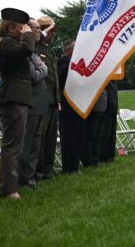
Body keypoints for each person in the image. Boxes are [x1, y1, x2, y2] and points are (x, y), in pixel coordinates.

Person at [0, 7, 34, 199]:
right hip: (12, 97)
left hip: (18, 96)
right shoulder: (7, 44)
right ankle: (9, 189)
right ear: (11, 28)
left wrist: (26, 35)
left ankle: (12, 184)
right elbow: (27, 50)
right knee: (12, 145)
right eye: (22, 27)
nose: (25, 31)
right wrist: (28, 36)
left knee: (16, 144)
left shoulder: (11, 43)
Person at [19, 18, 49, 189]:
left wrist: (41, 68)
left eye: (39, 28)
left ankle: (30, 177)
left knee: (36, 143)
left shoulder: (35, 53)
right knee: (27, 142)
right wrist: (43, 68)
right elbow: (34, 76)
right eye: (36, 28)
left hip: (40, 103)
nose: (39, 31)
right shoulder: (27, 53)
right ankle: (24, 179)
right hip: (31, 102)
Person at [35, 16, 59, 181]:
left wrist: (57, 99)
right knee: (40, 138)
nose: (53, 35)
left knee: (50, 138)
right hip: (41, 99)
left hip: (52, 99)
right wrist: (43, 32)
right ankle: (37, 171)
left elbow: (54, 77)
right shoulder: (36, 46)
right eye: (51, 31)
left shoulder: (48, 49)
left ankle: (48, 169)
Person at [57, 40, 84, 173]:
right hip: (66, 105)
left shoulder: (73, 62)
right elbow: (64, 74)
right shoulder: (62, 61)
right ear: (69, 50)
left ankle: (75, 165)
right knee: (68, 138)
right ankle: (68, 167)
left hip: (77, 103)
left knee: (77, 136)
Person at [99, 80, 119, 162]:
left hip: (113, 107)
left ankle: (111, 155)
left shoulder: (114, 79)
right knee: (105, 133)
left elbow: (115, 92)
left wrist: (117, 106)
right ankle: (103, 156)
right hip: (106, 107)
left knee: (112, 133)